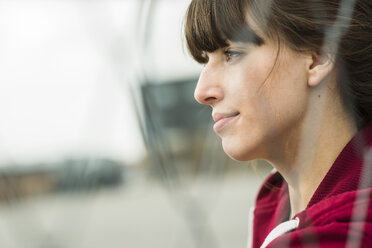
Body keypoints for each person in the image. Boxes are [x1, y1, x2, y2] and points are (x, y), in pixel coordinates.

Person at [184, 0, 372, 247]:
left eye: (231, 53)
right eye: (205, 61)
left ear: (317, 58)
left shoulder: (341, 236)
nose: (202, 91)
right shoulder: (274, 199)